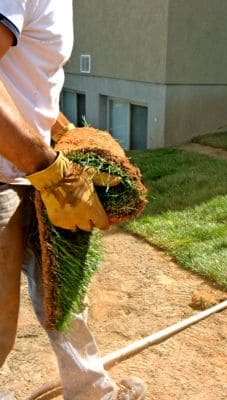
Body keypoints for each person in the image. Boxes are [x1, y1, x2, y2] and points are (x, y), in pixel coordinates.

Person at [0, 1, 146, 399]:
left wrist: (66, 134)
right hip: (7, 177)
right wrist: (50, 169)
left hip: (28, 173)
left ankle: (92, 392)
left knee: (63, 292)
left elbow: (23, 80)